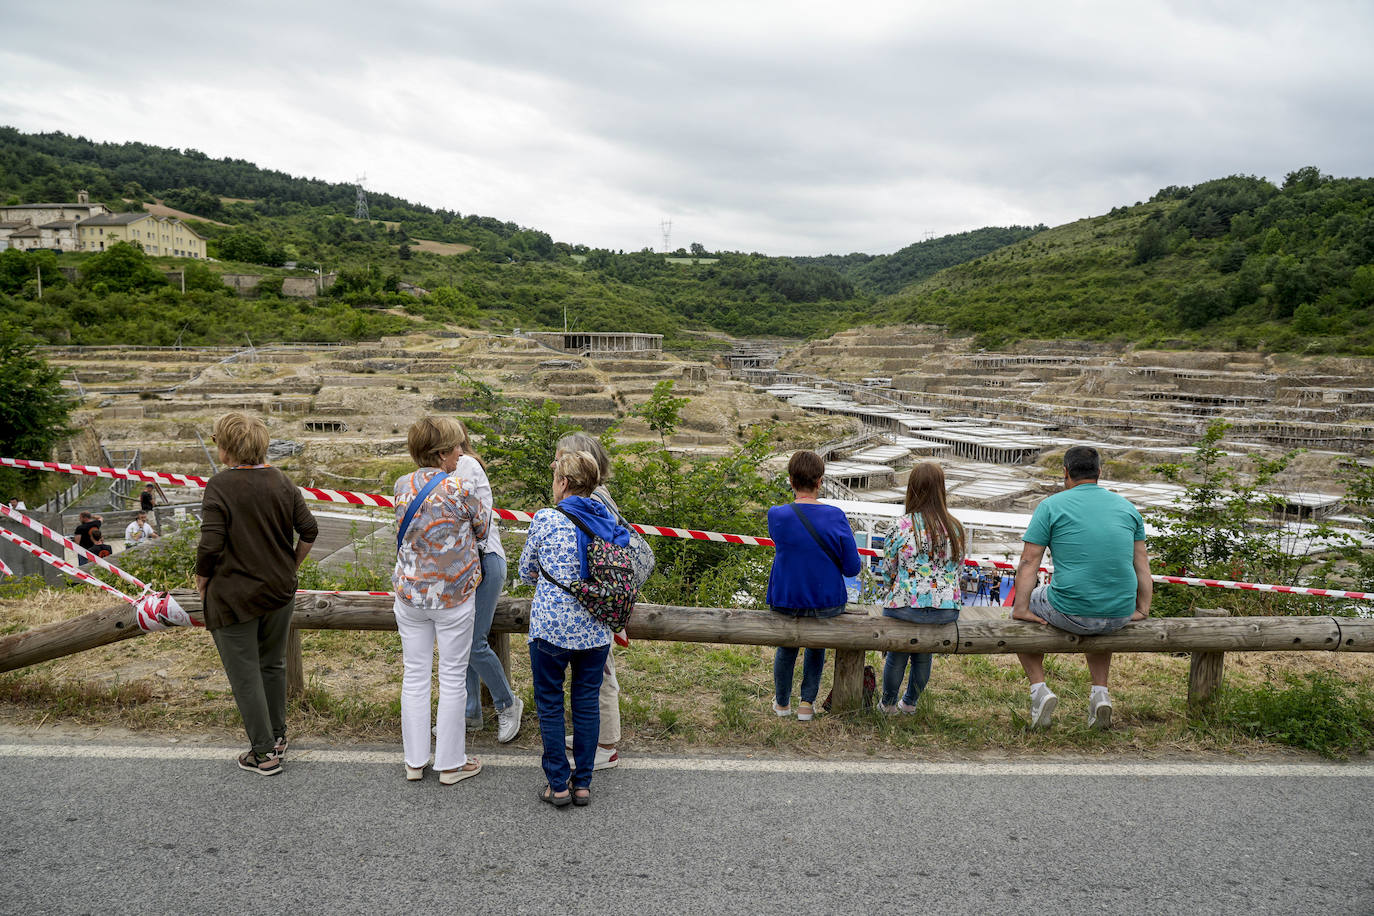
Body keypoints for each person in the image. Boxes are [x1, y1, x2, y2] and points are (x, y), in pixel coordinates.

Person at [195, 412, 318, 775]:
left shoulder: (219, 486)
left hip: (234, 595)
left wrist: (202, 579)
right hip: (279, 591)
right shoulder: (281, 480)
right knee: (273, 664)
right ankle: (278, 736)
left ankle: (263, 754)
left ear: (226, 447)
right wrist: (290, 566)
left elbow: (210, 544)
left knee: (245, 673)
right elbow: (309, 530)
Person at [1010, 445, 1152, 730]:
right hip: (1119, 613)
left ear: (1065, 473)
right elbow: (1142, 565)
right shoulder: (1127, 508)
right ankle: (1100, 693)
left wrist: (1021, 608)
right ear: (1100, 472)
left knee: (1020, 620)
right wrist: (1142, 608)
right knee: (1102, 610)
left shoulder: (1050, 506)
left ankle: (1040, 691)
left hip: (1071, 611)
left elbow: (1029, 561)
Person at [518, 450, 629, 807]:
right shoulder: (608, 521)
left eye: (555, 479)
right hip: (596, 632)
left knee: (550, 704)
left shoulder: (546, 519)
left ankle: (558, 785)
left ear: (563, 483)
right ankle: (582, 784)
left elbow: (526, 572)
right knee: (585, 704)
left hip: (551, 630)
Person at [392, 417, 488, 785]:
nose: (461, 452)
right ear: (442, 453)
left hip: (410, 594)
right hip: (453, 595)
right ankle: (451, 765)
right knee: (451, 677)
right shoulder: (461, 488)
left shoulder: (401, 486)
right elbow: (483, 528)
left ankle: (414, 762)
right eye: (456, 447)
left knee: (414, 675)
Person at [765, 450, 861, 721]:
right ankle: (807, 704)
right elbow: (852, 567)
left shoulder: (777, 515)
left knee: (786, 648)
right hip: (826, 600)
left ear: (790, 481)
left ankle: (782, 704)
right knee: (816, 646)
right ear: (820, 481)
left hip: (786, 599)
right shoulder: (836, 516)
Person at [554, 431, 624, 771]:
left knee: (603, 676)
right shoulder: (598, 496)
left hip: (599, 604)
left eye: (560, 458)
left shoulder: (596, 501)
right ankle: (591, 734)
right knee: (593, 675)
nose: (554, 464)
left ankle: (606, 745)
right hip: (598, 601)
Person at [875, 462, 966, 713]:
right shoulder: (956, 527)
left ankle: (889, 704)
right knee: (924, 654)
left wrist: (893, 592)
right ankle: (910, 703)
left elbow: (889, 570)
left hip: (905, 604)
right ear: (941, 489)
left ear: (912, 488)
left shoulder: (900, 525)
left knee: (897, 654)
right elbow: (957, 570)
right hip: (945, 608)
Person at [454, 424, 523, 744]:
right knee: (463, 638)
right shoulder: (455, 465)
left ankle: (508, 703)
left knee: (471, 641)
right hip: (466, 562)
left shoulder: (465, 463)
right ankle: (470, 714)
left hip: (485, 559)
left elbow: (461, 513)